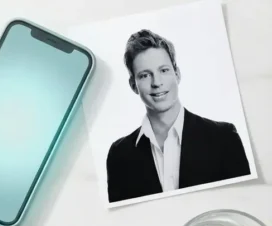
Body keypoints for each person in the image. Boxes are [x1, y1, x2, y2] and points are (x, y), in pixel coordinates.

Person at [106, 29, 251, 203]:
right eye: (145, 75)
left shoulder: (224, 137)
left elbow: (245, 202)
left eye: (164, 70)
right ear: (133, 85)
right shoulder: (119, 154)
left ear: (177, 74)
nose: (157, 82)